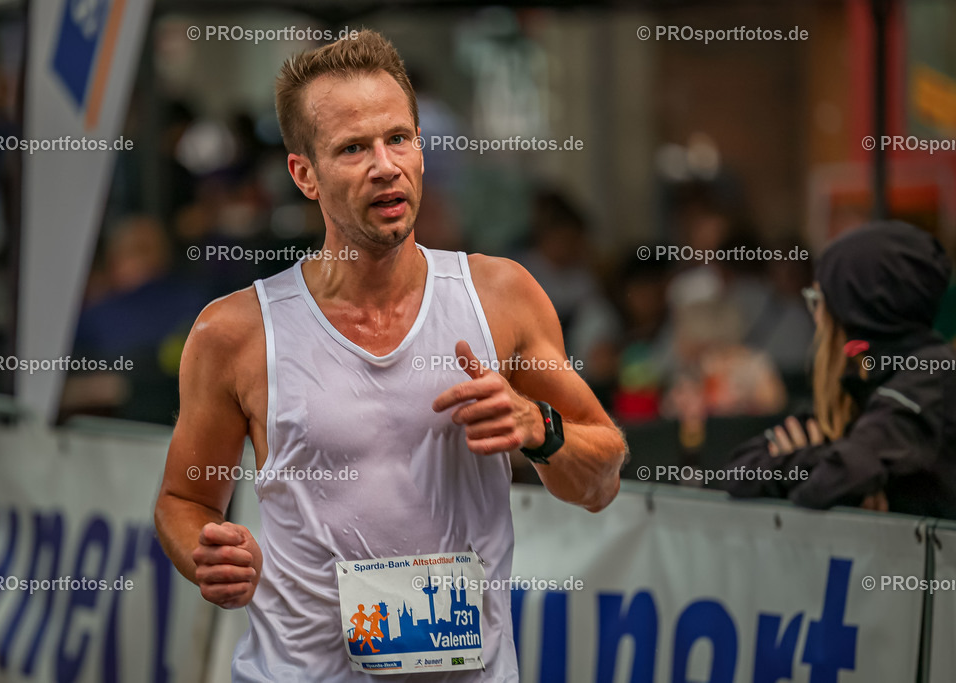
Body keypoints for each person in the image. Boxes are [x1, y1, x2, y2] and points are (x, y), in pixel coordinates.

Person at [153, 30, 626, 682]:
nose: (385, 165)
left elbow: (602, 477)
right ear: (304, 174)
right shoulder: (236, 333)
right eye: (353, 148)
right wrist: (206, 553)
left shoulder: (502, 297)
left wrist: (539, 428)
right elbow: (183, 498)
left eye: (398, 138)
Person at [719, 221, 956, 519]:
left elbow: (830, 483)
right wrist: (819, 460)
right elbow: (737, 473)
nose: (816, 316)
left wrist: (809, 461)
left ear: (859, 309)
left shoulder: (930, 374)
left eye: (819, 300)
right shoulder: (861, 380)